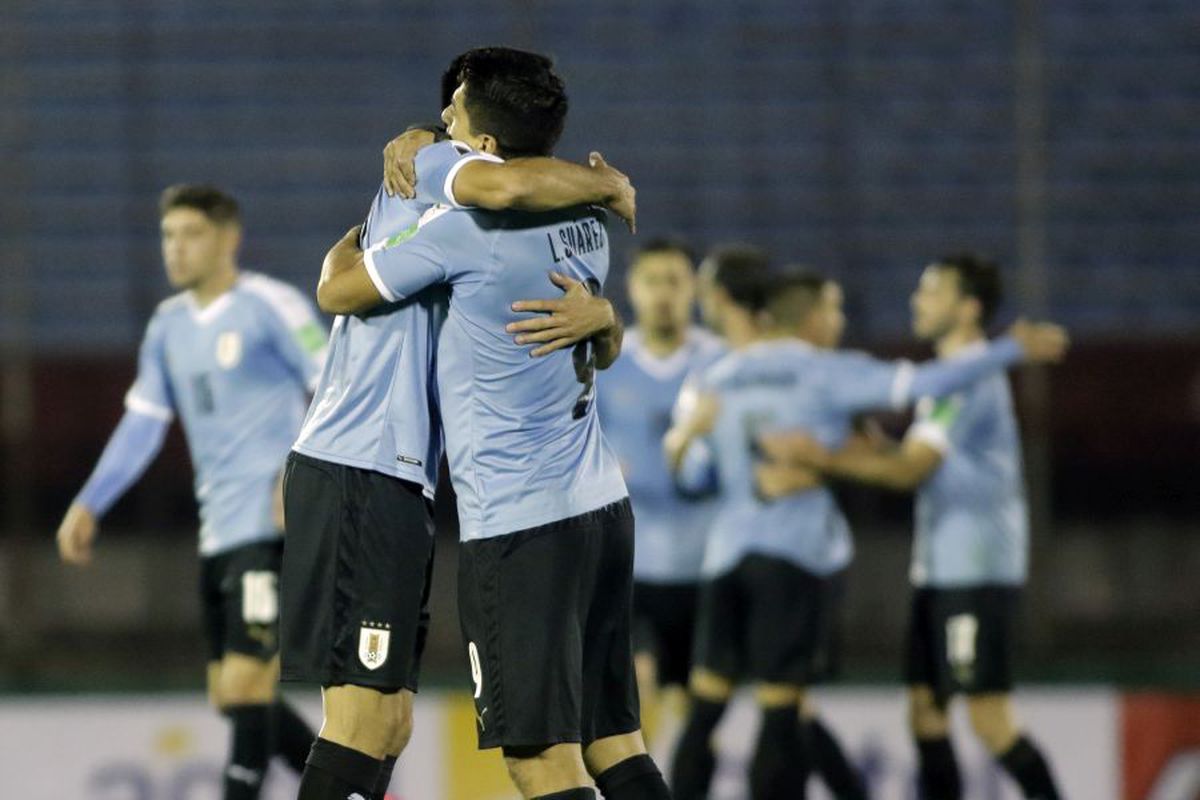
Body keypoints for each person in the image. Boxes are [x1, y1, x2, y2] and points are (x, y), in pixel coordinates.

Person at [283, 47, 642, 800]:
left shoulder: (462, 195)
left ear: (478, 143)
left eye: (454, 114)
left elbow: (342, 285)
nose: (440, 124)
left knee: (387, 727)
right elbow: (340, 289)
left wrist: (330, 270)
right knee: (364, 723)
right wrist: (606, 186)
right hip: (363, 463)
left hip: (423, 481)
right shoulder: (562, 217)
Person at [665, 269, 1068, 799]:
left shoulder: (717, 377)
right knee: (783, 713)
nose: (841, 321)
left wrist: (687, 442)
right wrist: (1008, 350)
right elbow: (925, 385)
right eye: (833, 311)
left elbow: (695, 480)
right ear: (810, 318)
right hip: (793, 560)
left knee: (706, 710)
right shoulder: (828, 372)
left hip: (725, 561)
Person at [55, 184, 327, 800]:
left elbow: (336, 386)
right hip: (220, 531)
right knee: (231, 696)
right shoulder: (169, 326)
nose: (175, 249)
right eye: (168, 236)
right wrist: (90, 501)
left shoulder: (270, 306)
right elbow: (143, 423)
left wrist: (299, 475)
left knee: (248, 684)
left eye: (191, 234)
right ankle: (359, 787)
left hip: (271, 527)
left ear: (229, 238)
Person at [595, 237, 725, 751]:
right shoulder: (607, 361)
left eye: (674, 280)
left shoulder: (719, 363)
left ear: (693, 288)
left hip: (704, 567)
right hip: (632, 567)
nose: (664, 294)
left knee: (693, 712)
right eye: (653, 281)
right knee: (635, 699)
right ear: (632, 289)